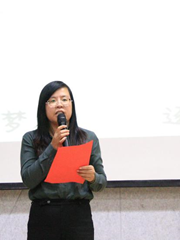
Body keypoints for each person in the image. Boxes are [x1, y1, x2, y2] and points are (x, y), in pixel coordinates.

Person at [21, 80, 107, 240]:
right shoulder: (31, 139)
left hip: (78, 216)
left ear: (71, 104)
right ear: (43, 107)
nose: (59, 104)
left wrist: (93, 177)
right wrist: (52, 147)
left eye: (65, 99)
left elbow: (101, 183)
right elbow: (28, 179)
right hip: (44, 215)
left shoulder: (88, 138)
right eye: (53, 100)